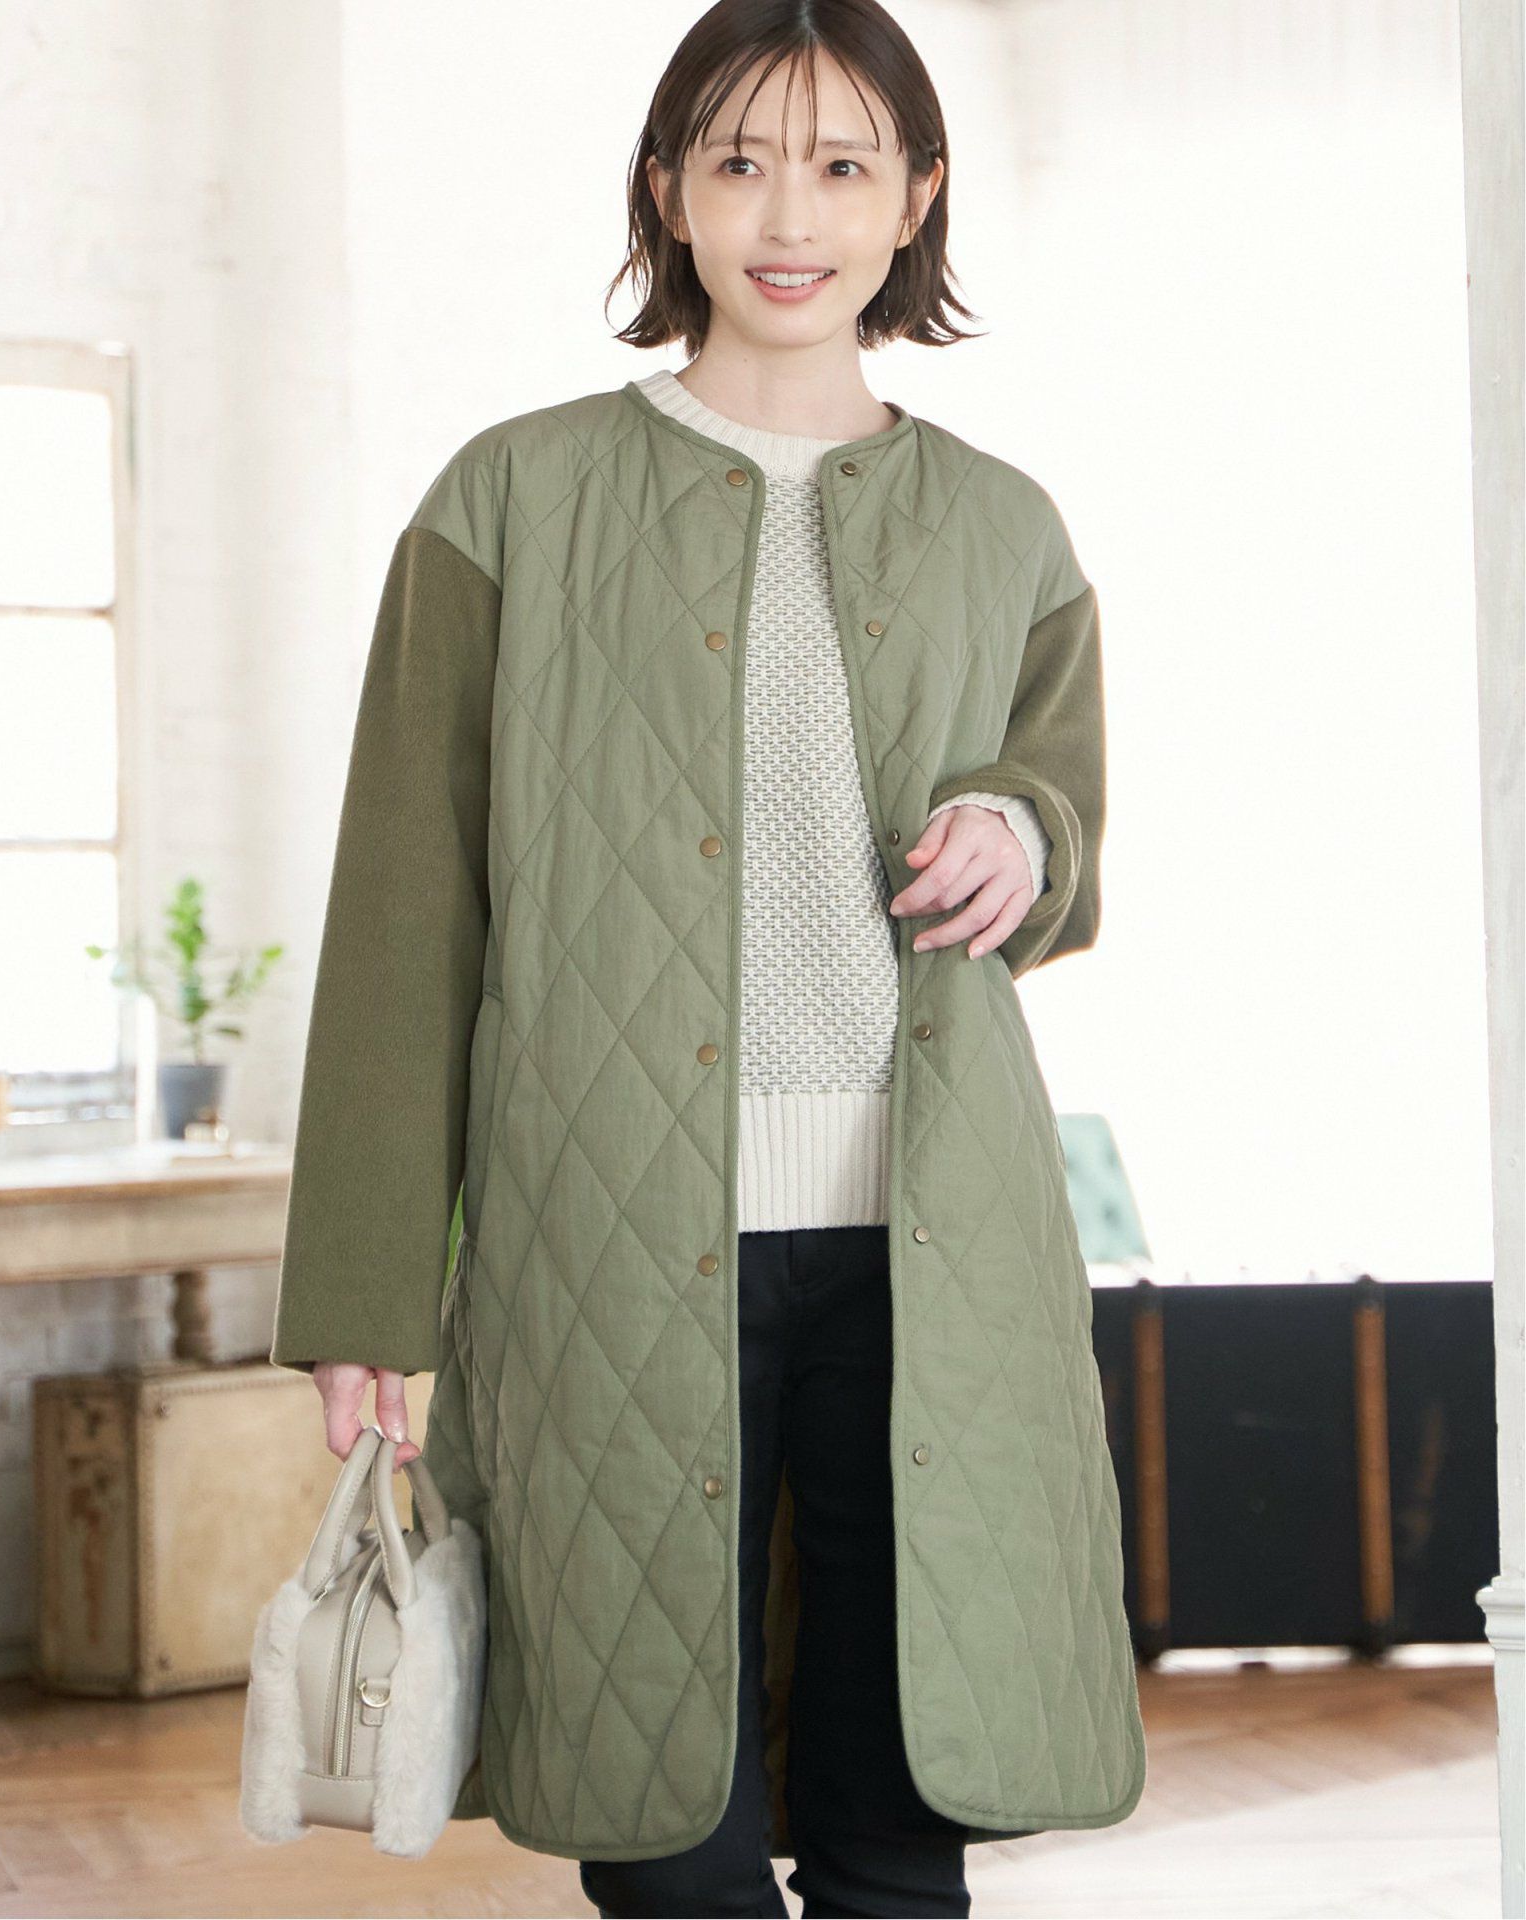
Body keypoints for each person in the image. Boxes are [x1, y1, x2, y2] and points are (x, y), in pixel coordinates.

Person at [269, 2, 1147, 1914]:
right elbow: (404, 917)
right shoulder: (511, 498)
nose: (789, 216)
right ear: (667, 190)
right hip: (605, 1241)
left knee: (907, 1821)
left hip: (938, 1255)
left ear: (917, 196)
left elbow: (1064, 836)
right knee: (663, 1835)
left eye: (842, 165)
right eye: (739, 161)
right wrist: (365, 1290)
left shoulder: (1007, 526)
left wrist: (1021, 831)